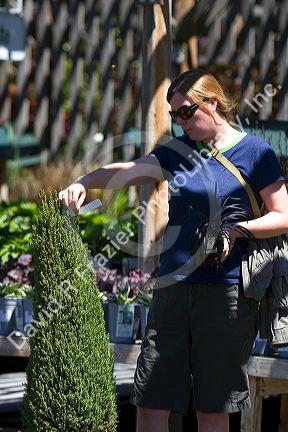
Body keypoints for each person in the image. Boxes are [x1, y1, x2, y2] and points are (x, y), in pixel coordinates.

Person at [59, 69, 288, 432]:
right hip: (172, 288)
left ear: (212, 103)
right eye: (174, 115)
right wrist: (86, 181)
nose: (180, 122)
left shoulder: (255, 152)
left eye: (186, 112)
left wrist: (236, 230)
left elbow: (283, 215)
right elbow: (131, 171)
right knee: (152, 399)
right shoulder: (179, 151)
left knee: (213, 407)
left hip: (227, 294)